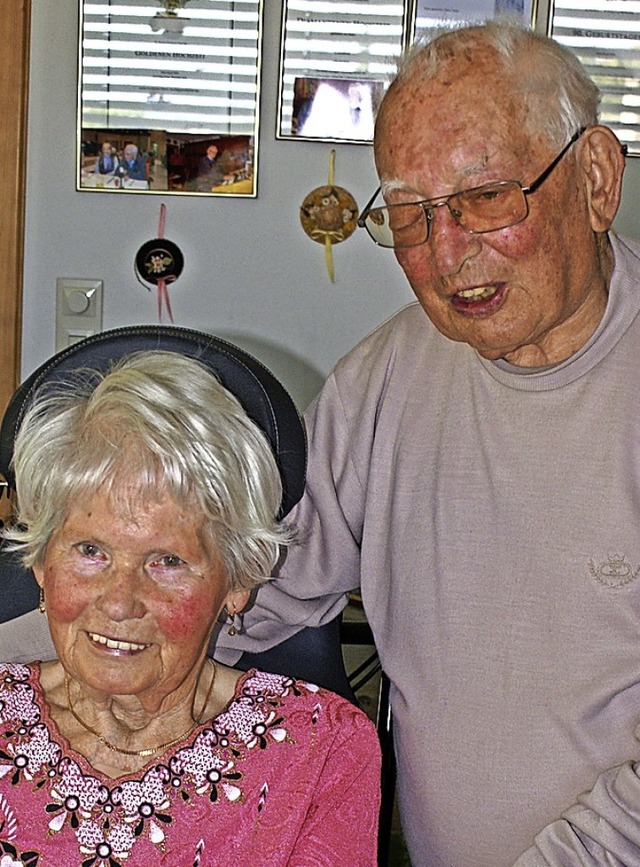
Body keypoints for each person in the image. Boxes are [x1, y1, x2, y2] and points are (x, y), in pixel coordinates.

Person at [222, 20, 637, 866]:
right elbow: (250, 588)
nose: (447, 255)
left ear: (595, 179)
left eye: (485, 197)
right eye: (409, 216)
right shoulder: (385, 377)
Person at [0, 351, 380, 865]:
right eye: (91, 551)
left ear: (238, 581)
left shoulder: (321, 751)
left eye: (167, 561)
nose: (118, 602)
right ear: (43, 562)